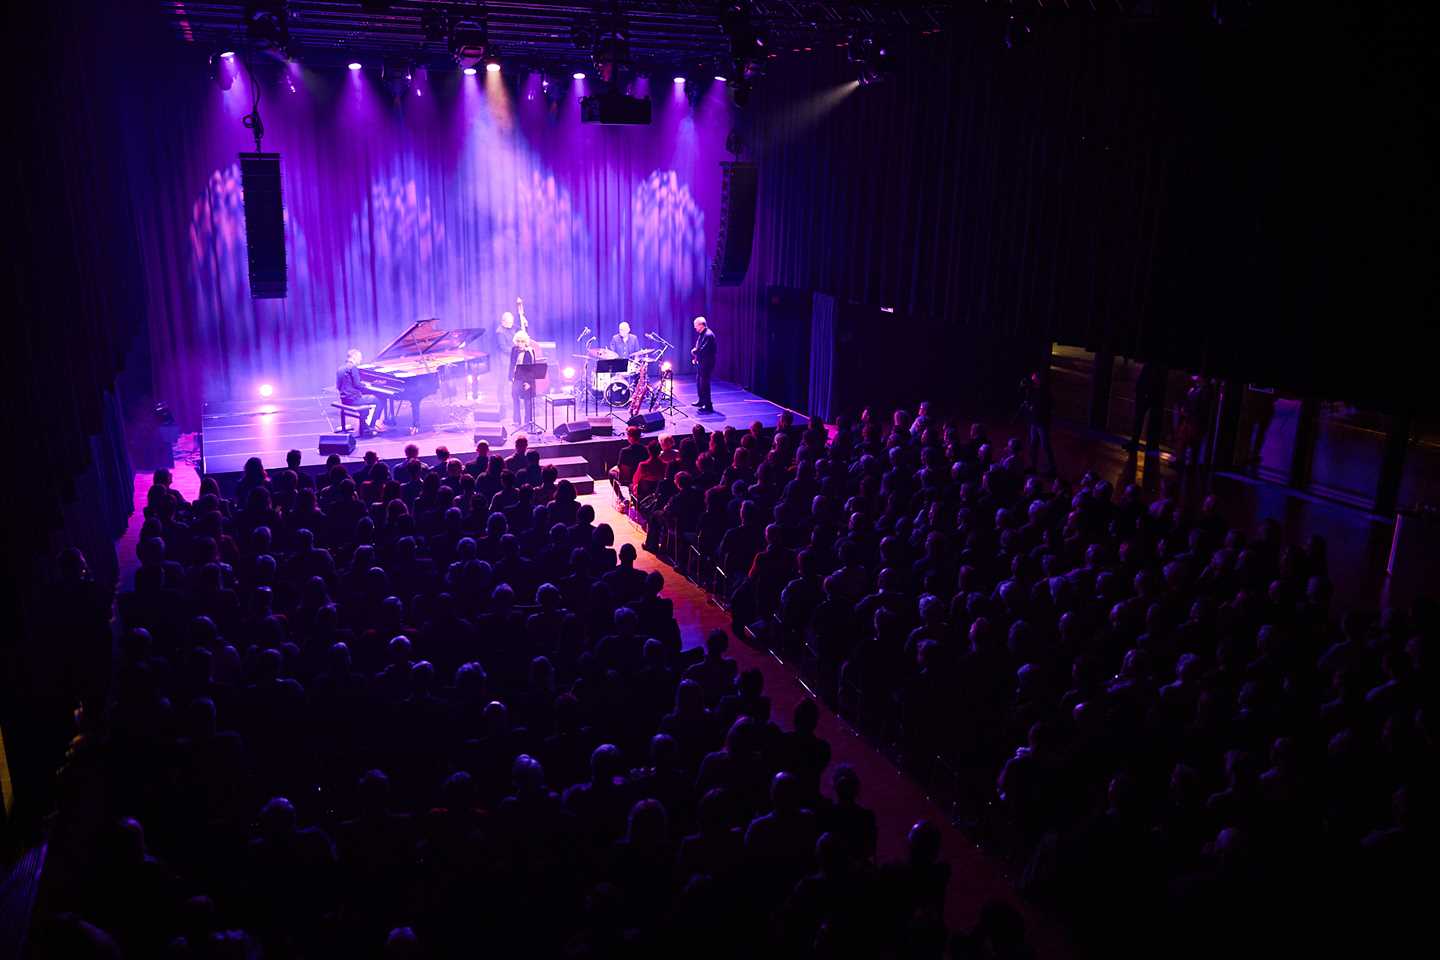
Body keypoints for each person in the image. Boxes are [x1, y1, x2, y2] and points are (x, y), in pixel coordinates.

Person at [336, 348, 386, 436]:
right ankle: (371, 426)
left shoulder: (340, 368)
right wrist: (368, 386)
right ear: (354, 357)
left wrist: (362, 385)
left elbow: (338, 386)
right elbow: (357, 385)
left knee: (368, 402)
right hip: (353, 399)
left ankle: (364, 425)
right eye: (360, 357)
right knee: (380, 400)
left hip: (344, 399)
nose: (361, 359)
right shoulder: (353, 367)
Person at [1018, 370, 1055, 476]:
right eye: (1032, 379)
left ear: (1039, 380)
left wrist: (1034, 408)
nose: (1032, 381)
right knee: (1033, 444)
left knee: (1045, 446)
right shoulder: (1033, 390)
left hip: (1042, 423)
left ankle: (1051, 469)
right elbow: (1030, 403)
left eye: (1034, 379)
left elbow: (1047, 407)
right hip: (1034, 422)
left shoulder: (1044, 392)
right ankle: (1033, 466)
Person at [510, 331, 538, 428]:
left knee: (527, 401)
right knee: (515, 398)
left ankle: (528, 422)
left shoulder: (530, 352)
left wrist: (528, 383)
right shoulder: (514, 349)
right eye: (518, 341)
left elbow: (531, 369)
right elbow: (511, 364)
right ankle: (517, 420)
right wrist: (511, 377)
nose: (520, 343)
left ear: (526, 342)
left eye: (522, 341)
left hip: (526, 379)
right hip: (516, 378)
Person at [691, 316, 717, 414]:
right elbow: (698, 347)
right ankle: (701, 401)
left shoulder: (708, 335)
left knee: (704, 384)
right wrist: (695, 356)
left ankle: (708, 404)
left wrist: (694, 351)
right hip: (702, 363)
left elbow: (702, 350)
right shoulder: (702, 334)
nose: (695, 328)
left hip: (707, 363)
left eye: (696, 326)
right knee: (699, 382)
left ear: (701, 325)